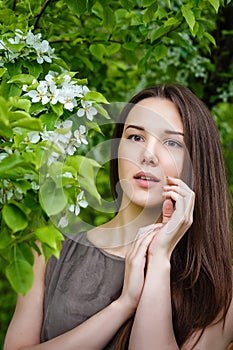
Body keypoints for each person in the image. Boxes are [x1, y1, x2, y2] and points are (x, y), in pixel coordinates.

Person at [4, 84, 233, 350]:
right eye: (136, 137)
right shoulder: (48, 248)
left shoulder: (220, 289)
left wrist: (159, 259)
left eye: (172, 143)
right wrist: (123, 306)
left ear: (198, 164)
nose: (148, 155)